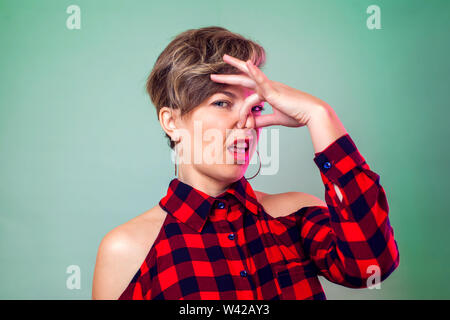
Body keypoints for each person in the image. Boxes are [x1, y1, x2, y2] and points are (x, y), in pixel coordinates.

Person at [92, 26, 399, 300]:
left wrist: (318, 114)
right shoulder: (128, 248)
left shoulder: (295, 215)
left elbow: (371, 265)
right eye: (222, 103)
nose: (246, 122)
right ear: (171, 121)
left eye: (255, 107)